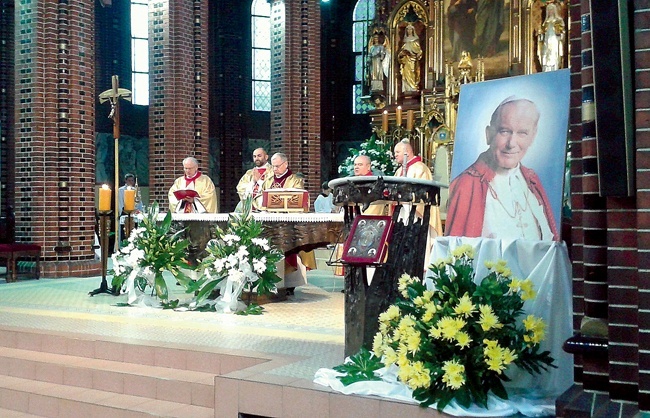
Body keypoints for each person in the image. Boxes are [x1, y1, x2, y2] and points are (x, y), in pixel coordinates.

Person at [445, 97, 559, 241]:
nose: (511, 143)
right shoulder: (467, 184)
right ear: (489, 134)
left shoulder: (532, 180)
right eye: (504, 131)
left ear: (533, 137)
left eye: (522, 133)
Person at [537, 3, 565, 72]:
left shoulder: (558, 20)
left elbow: (562, 32)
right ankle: (546, 69)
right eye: (549, 10)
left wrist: (559, 34)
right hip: (546, 42)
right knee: (546, 55)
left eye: (551, 10)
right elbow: (542, 36)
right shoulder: (545, 23)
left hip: (555, 40)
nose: (550, 12)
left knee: (554, 54)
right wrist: (540, 35)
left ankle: (555, 68)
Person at [397, 23, 422, 93]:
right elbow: (400, 53)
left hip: (413, 60)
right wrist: (402, 54)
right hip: (406, 60)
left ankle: (413, 87)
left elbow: (419, 51)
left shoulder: (416, 40)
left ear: (413, 30)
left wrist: (415, 54)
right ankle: (407, 88)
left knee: (413, 73)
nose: (409, 31)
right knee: (405, 74)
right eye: (407, 29)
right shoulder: (404, 41)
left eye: (410, 29)